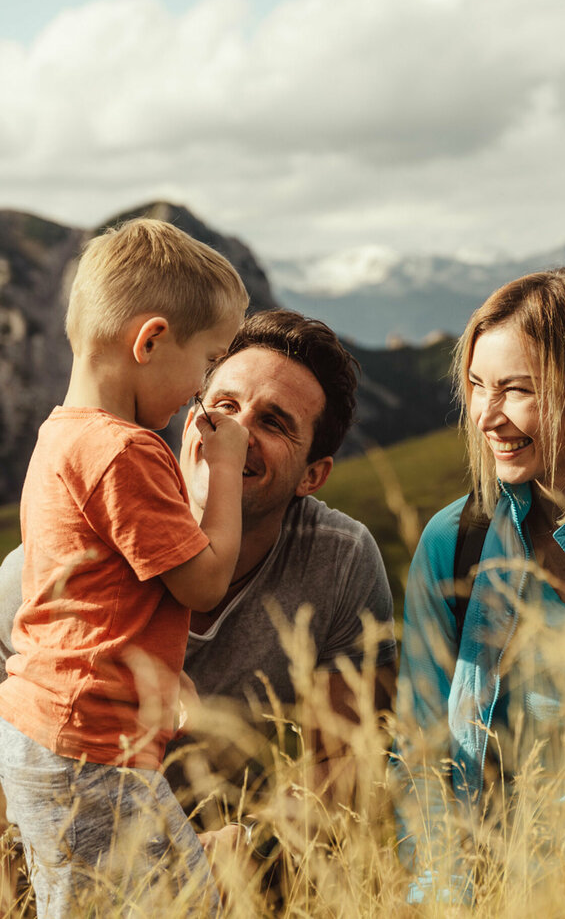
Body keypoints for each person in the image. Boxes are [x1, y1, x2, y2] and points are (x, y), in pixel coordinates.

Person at [0, 310, 397, 870]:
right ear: (191, 418)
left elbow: (350, 761)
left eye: (274, 423)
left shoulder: (340, 560)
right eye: (224, 406)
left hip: (235, 870)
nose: (233, 433)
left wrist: (245, 848)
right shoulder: (51, 566)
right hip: (65, 856)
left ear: (313, 475)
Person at [0, 217, 250, 916]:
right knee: (186, 905)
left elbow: (96, 594)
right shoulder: (125, 450)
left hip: (44, 729)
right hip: (92, 750)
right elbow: (204, 582)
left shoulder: (61, 435)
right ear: (151, 341)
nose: (201, 388)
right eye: (208, 361)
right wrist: (224, 473)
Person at [393, 268, 565, 912]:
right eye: (477, 386)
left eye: (516, 389)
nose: (486, 416)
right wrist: (448, 899)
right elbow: (422, 757)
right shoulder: (454, 543)